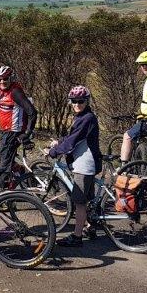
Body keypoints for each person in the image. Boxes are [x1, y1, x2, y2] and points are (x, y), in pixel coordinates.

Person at [46, 85, 101, 246]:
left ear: (87, 101)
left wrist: (54, 152)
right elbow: (72, 137)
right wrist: (59, 143)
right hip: (84, 163)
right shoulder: (82, 117)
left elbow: (72, 141)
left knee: (79, 203)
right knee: (86, 199)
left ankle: (77, 237)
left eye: (81, 101)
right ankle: (90, 226)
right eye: (74, 101)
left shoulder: (87, 118)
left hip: (85, 165)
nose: (77, 104)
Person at [0, 66, 36, 176]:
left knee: (4, 162)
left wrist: (27, 133)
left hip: (13, 131)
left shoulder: (15, 92)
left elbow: (32, 112)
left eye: (5, 79)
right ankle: (17, 171)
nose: (2, 82)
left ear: (11, 78)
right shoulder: (0, 91)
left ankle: (6, 188)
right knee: (6, 156)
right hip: (4, 130)